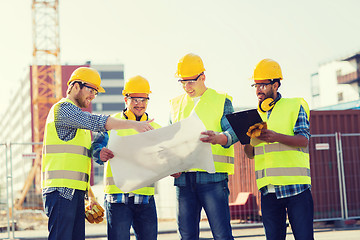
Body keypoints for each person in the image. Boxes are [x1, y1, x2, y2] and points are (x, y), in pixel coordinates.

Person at [41, 67, 154, 240]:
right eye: (91, 90)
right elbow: (97, 121)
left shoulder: (80, 124)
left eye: (95, 92)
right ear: (75, 86)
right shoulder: (63, 109)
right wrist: (133, 124)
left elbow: (80, 163)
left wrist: (90, 197)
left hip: (76, 192)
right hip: (61, 191)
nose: (93, 96)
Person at [170, 53, 239, 240]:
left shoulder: (221, 100)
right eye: (182, 82)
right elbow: (171, 143)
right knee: (186, 237)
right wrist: (171, 165)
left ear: (203, 77)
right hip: (183, 181)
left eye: (191, 81)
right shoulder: (175, 104)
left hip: (213, 179)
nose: (186, 87)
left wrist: (220, 138)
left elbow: (233, 132)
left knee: (222, 235)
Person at [244, 59, 314, 240]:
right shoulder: (254, 115)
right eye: (255, 85)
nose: (258, 89)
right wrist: (248, 141)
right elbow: (249, 154)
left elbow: (303, 140)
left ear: (275, 85)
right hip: (269, 191)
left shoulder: (295, 105)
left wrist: (276, 137)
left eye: (263, 85)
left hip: (296, 188)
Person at [91, 75, 161, 240]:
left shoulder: (156, 128)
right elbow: (96, 147)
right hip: (117, 197)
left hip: (145, 197)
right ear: (126, 99)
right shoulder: (112, 123)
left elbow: (164, 157)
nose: (139, 104)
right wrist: (100, 153)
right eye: (135, 99)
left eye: (143, 99)